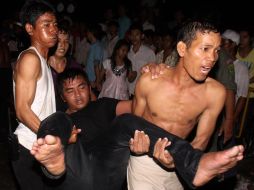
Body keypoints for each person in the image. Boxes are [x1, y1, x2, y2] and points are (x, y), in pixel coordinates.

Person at [31, 20, 244, 188]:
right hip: (73, 167)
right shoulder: (62, 114)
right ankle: (54, 163)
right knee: (53, 120)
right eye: (70, 90)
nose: (212, 58)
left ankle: (192, 163)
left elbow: (135, 121)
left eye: (82, 87)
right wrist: (64, 140)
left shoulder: (103, 105)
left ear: (90, 86)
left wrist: (141, 145)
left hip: (117, 166)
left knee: (126, 122)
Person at [11, 1, 58, 190]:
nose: (53, 29)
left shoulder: (44, 62)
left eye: (55, 24)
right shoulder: (30, 59)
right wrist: (51, 138)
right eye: (46, 25)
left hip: (38, 146)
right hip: (28, 147)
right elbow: (22, 110)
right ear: (30, 28)